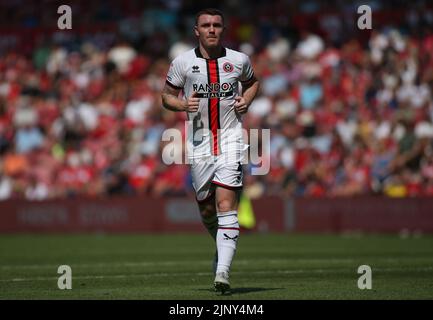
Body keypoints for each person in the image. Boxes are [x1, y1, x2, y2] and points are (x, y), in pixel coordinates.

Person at [161, 8, 259, 294]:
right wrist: (182, 105)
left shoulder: (239, 60)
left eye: (217, 25)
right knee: (206, 209)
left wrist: (247, 100)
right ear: (197, 31)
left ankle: (223, 272)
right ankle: (221, 247)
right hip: (199, 145)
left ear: (223, 29)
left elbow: (253, 83)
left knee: (226, 205)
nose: (212, 29)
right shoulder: (182, 62)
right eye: (206, 25)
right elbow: (166, 96)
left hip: (231, 140)